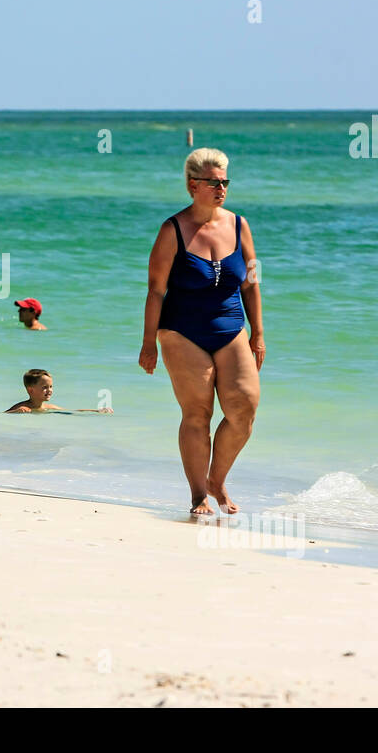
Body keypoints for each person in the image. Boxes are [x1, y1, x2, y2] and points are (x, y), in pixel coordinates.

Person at [138, 148, 264, 516]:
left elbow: (252, 282)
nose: (221, 188)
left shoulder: (239, 225)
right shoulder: (172, 230)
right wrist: (149, 343)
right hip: (182, 330)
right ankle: (198, 496)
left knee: (245, 406)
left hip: (230, 326)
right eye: (214, 182)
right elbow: (156, 290)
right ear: (194, 186)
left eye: (225, 181)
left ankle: (217, 479)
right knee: (198, 411)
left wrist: (258, 333)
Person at [4, 369, 114, 414]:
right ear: (30, 390)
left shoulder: (48, 407)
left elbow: (73, 411)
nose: (50, 390)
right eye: (45, 387)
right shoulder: (23, 406)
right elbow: (3, 415)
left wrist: (96, 411)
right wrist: (16, 412)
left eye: (51, 386)